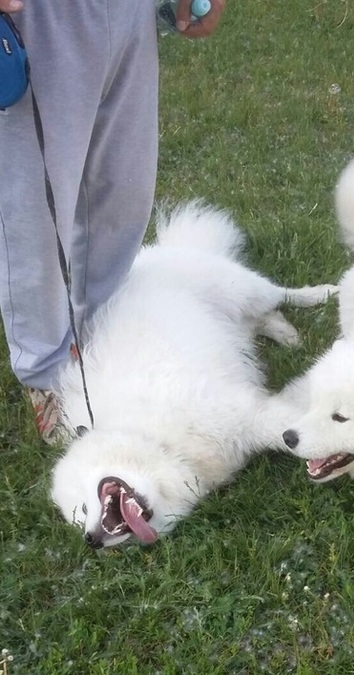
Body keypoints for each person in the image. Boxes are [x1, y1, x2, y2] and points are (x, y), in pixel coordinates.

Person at [0, 0, 226, 443]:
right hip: (37, 15)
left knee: (123, 190)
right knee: (35, 208)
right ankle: (47, 375)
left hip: (128, 11)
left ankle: (104, 340)